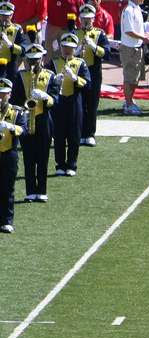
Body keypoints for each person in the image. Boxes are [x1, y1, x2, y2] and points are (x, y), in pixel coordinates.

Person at [12, 42, 54, 202]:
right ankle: (30, 191)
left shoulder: (49, 75)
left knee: (43, 156)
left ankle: (41, 190)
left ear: (42, 58)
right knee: (29, 156)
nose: (34, 62)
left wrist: (45, 97)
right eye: (31, 59)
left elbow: (55, 97)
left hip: (43, 118)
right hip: (26, 118)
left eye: (37, 59)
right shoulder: (21, 76)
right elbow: (15, 98)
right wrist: (23, 106)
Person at [48, 32, 88, 176]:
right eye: (65, 47)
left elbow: (87, 83)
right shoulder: (54, 63)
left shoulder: (80, 63)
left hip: (74, 101)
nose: (67, 50)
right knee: (58, 134)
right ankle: (60, 164)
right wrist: (55, 82)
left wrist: (75, 78)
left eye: (70, 47)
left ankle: (72, 164)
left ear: (74, 48)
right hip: (58, 103)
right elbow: (47, 82)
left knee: (74, 134)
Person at [74, 5, 107, 146]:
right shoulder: (74, 33)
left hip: (93, 70)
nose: (86, 21)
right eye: (84, 19)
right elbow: (65, 51)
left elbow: (106, 53)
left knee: (92, 102)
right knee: (79, 102)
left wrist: (93, 46)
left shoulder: (99, 34)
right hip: (78, 70)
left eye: (89, 19)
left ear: (93, 19)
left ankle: (90, 133)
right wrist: (77, 50)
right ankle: (79, 132)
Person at [0, 76, 25, 233]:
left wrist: (10, 127)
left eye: (4, 94)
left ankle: (7, 220)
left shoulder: (16, 111)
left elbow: (24, 129)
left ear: (9, 94)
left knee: (7, 188)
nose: (1, 97)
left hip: (8, 153)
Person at [119, 0, 149, 115]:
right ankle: (128, 105)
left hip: (136, 47)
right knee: (129, 77)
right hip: (129, 48)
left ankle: (129, 101)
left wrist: (145, 34)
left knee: (135, 77)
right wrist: (143, 38)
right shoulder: (129, 10)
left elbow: (136, 28)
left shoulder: (137, 9)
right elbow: (129, 31)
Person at [0, 2, 25, 81]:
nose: (4, 18)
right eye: (2, 15)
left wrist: (9, 44)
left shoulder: (17, 29)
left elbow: (23, 50)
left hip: (9, 66)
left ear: (11, 15)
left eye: (7, 15)